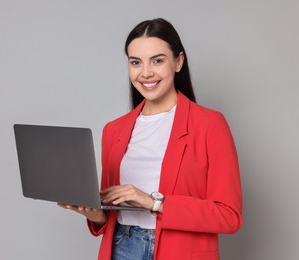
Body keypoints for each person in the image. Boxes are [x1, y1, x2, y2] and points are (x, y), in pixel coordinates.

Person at [58, 18, 243, 260]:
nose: (145, 73)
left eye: (157, 60)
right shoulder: (113, 130)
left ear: (178, 62)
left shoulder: (209, 125)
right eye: (136, 62)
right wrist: (96, 215)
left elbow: (229, 216)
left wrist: (153, 202)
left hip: (180, 252)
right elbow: (112, 208)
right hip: (121, 247)